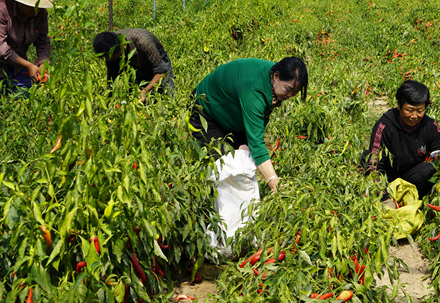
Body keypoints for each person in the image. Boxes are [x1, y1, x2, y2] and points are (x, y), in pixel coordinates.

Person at [188, 57, 308, 193]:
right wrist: (273, 181)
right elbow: (256, 144)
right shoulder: (254, 91)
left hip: (230, 111)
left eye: (295, 92)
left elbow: (259, 120)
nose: (290, 95)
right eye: (288, 89)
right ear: (276, 76)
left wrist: (244, 142)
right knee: (226, 165)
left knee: (244, 158)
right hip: (204, 110)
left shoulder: (275, 76)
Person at [361, 80, 440, 199]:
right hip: (388, 179)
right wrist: (384, 197)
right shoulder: (385, 126)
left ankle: (419, 198)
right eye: (409, 110)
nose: (414, 116)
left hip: (413, 177)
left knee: (431, 169)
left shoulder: (429, 126)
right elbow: (373, 166)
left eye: (420, 111)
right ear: (399, 106)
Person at [92, 28, 175, 102]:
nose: (110, 60)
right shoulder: (110, 48)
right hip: (136, 68)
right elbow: (112, 79)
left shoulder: (143, 42)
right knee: (138, 100)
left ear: (122, 47)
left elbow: (162, 71)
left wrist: (144, 91)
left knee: (165, 98)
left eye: (112, 57)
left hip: (158, 65)